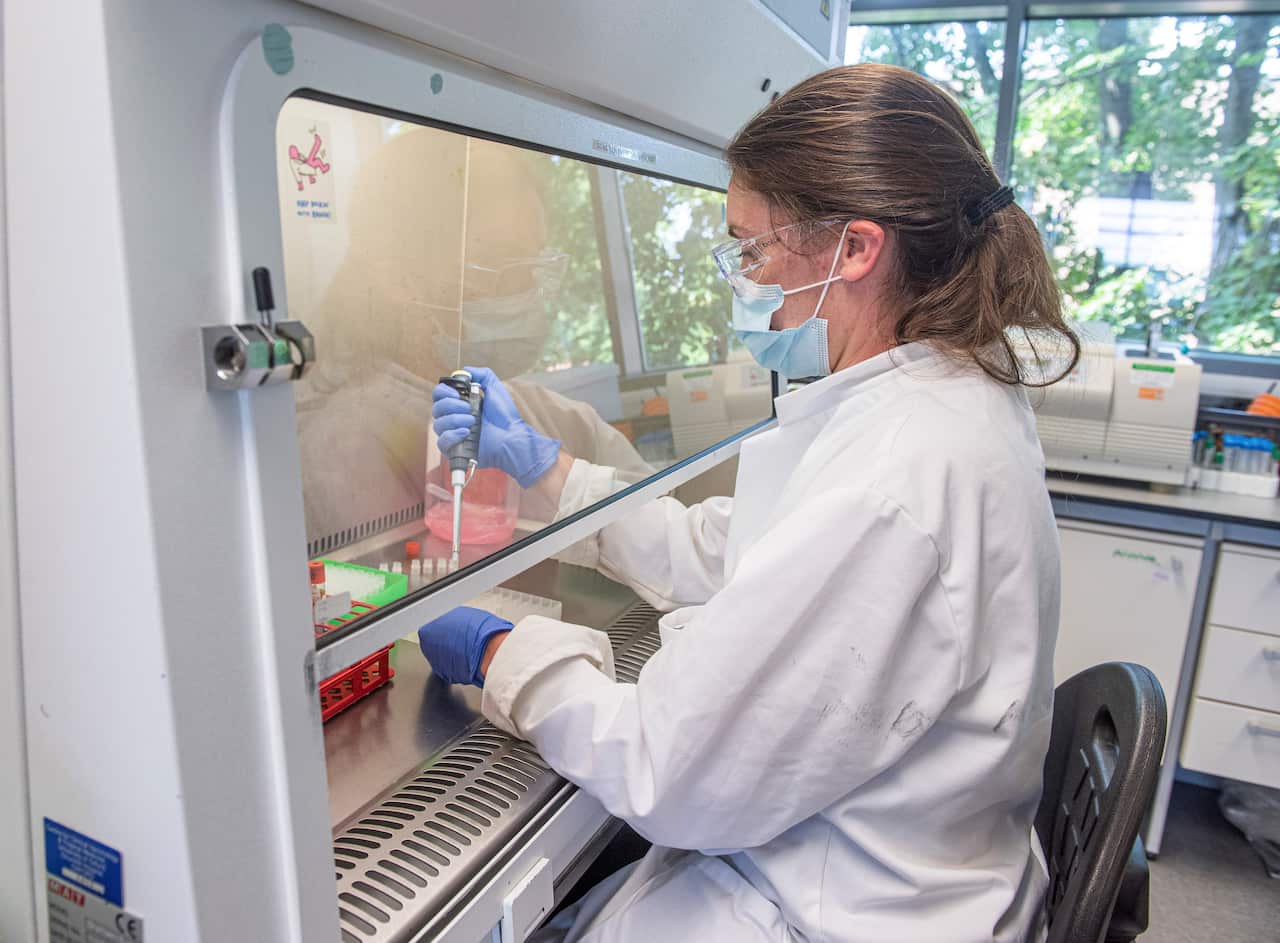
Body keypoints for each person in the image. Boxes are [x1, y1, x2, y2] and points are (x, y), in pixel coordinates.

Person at [418, 63, 1079, 943]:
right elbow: (735, 551)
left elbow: (667, 769)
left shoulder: (899, 475)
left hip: (836, 911)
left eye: (752, 248)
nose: (744, 278)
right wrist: (552, 476)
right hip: (872, 868)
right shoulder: (936, 398)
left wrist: (508, 651)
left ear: (855, 248)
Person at [288, 123, 651, 547]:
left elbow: (667, 528)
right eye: (499, 264)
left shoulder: (547, 417)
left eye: (532, 265)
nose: (525, 293)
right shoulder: (343, 447)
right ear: (399, 276)